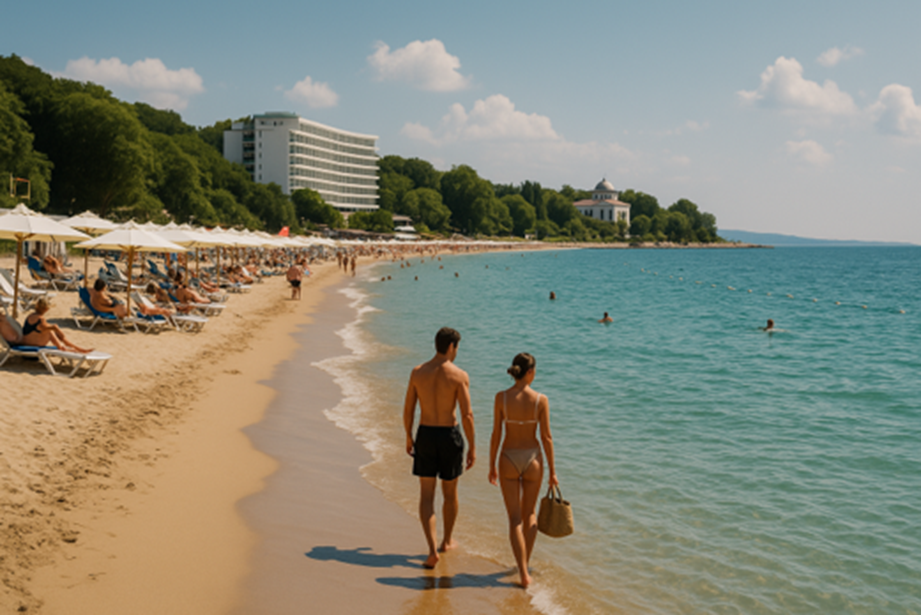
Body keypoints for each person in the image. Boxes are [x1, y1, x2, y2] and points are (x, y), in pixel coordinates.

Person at [403, 327, 476, 569]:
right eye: (457, 347)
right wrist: (473, 446)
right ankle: (446, 541)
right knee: (450, 494)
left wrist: (408, 437)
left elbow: (408, 409)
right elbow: (467, 415)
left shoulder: (417, 372)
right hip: (449, 436)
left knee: (426, 496)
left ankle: (432, 550)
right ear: (452, 347)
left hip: (425, 433)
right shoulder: (459, 375)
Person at [488, 353, 556, 588]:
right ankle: (524, 566)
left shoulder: (501, 398)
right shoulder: (540, 400)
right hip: (533, 459)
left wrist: (491, 464)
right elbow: (546, 438)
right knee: (530, 515)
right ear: (530, 372)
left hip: (507, 457)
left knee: (515, 519)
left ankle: (523, 573)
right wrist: (553, 473)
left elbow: (496, 434)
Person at [20, 298, 93, 353]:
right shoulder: (41, 319)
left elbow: (41, 327)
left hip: (26, 342)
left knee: (51, 329)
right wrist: (57, 330)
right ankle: (62, 347)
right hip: (33, 346)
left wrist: (55, 329)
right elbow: (47, 327)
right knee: (50, 332)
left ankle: (76, 348)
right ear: (46, 309)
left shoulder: (30, 316)